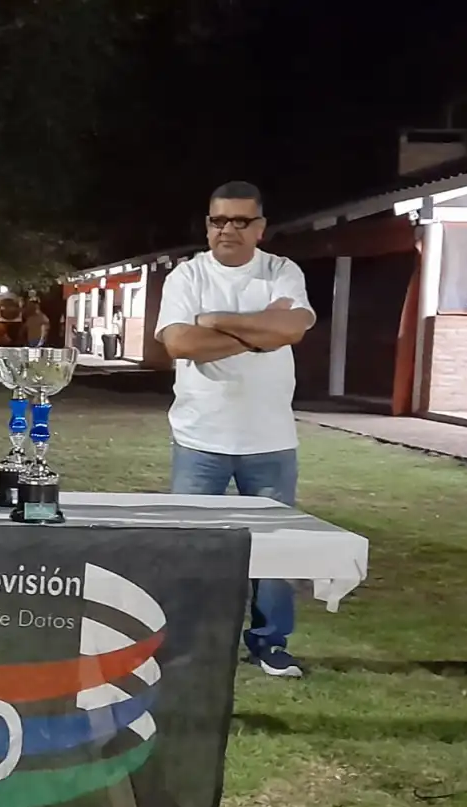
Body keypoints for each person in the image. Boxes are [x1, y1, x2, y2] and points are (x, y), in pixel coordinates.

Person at [154, 181, 316, 678]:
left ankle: (270, 642)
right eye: (217, 220)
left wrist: (218, 322)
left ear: (259, 228)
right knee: (191, 548)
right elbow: (180, 343)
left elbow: (294, 328)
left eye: (239, 221)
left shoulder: (281, 272)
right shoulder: (187, 276)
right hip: (200, 437)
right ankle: (185, 641)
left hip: (269, 440)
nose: (227, 229)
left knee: (273, 551)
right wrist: (260, 333)